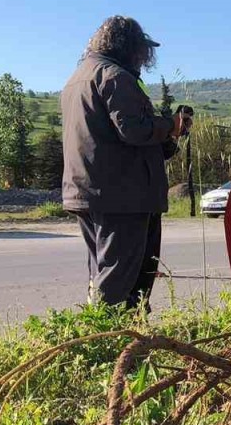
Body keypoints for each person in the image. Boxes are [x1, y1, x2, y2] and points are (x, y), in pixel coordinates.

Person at [60, 16, 190, 309]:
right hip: (123, 196)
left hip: (91, 190)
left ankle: (109, 338)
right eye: (142, 49)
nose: (145, 57)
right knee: (122, 278)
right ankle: (112, 342)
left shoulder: (79, 77)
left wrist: (168, 135)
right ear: (127, 46)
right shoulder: (116, 77)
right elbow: (133, 130)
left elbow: (111, 138)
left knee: (103, 271)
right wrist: (169, 125)